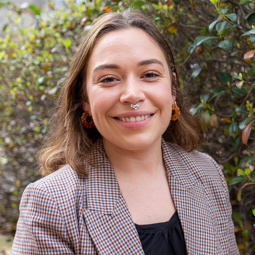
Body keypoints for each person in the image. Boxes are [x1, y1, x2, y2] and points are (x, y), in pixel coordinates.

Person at [12, 10, 239, 255]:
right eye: (109, 79)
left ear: (172, 88)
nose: (132, 95)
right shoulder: (51, 202)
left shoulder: (207, 175)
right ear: (84, 98)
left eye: (150, 75)